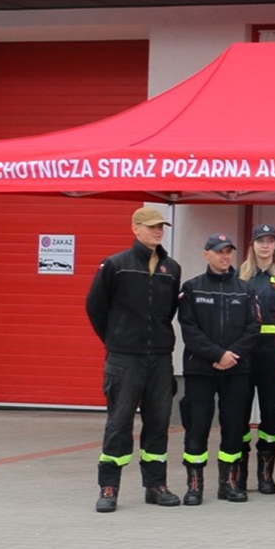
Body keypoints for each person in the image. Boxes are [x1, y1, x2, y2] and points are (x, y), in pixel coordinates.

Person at [85, 206, 184, 512]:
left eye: (161, 227)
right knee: (119, 423)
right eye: (152, 226)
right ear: (135, 229)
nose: (158, 231)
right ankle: (109, 488)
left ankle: (155, 486)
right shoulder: (116, 265)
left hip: (159, 359)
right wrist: (116, 340)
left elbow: (168, 312)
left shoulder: (172, 268)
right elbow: (95, 308)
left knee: (157, 423)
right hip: (125, 359)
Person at [176, 233, 261, 505]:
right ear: (206, 254)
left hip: (236, 369)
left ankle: (229, 483)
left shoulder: (245, 289)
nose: (225, 256)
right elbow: (189, 329)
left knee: (234, 427)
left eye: (228, 251)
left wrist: (230, 356)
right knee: (197, 425)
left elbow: (254, 328)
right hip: (200, 369)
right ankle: (194, 485)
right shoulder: (192, 288)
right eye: (219, 251)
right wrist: (217, 354)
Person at [241, 223, 275, 496]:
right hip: (244, 355)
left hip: (274, 355)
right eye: (260, 240)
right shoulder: (239, 277)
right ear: (253, 245)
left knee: (272, 414)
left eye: (270, 241)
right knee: (238, 414)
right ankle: (238, 475)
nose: (265, 245)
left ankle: (265, 475)